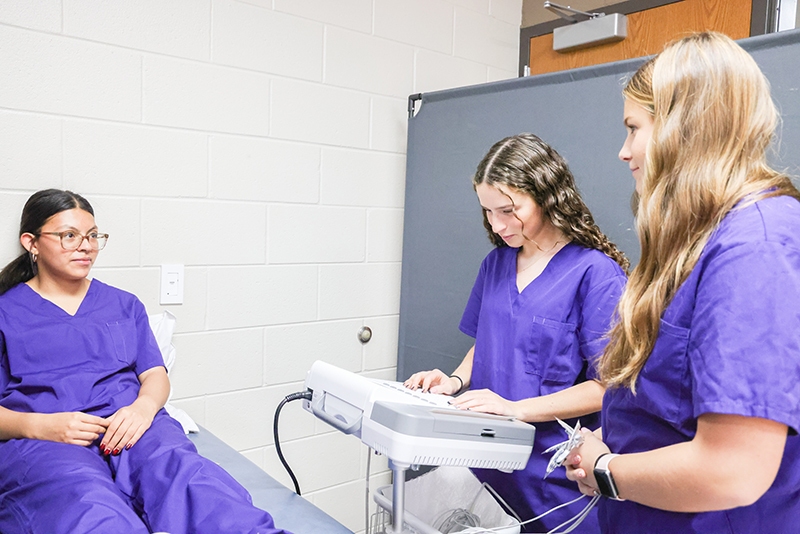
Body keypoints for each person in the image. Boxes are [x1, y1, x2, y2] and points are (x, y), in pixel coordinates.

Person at [565, 32, 800, 533]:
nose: (624, 152)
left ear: (684, 129)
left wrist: (606, 470)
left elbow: (732, 468)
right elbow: (668, 410)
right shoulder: (696, 242)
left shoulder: (753, 246)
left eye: (634, 128)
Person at [0, 189, 291, 534]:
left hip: (134, 426)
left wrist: (143, 409)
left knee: (191, 480)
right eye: (69, 236)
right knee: (88, 504)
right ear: (32, 243)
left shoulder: (123, 304)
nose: (86, 245)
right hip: (50, 440)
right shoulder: (7, 312)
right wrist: (43, 427)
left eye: (93, 236)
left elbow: (155, 373)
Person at [405, 134, 629, 532]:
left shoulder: (595, 274)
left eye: (508, 210)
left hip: (555, 481)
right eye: (487, 211)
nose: (497, 224)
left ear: (546, 196)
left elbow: (606, 388)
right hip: (490, 470)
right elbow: (490, 339)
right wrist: (454, 380)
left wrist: (515, 409)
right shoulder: (496, 264)